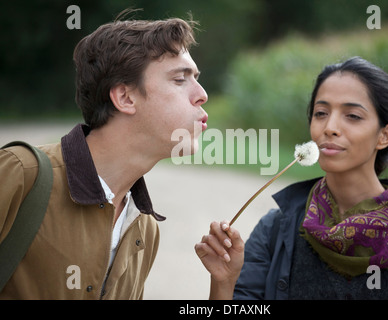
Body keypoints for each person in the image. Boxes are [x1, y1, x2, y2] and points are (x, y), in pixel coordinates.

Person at [0, 16, 243, 300]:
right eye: (180, 79)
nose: (202, 95)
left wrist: (223, 286)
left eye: (196, 80)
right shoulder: (20, 174)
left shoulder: (143, 229)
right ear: (125, 97)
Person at [233, 56, 388, 300]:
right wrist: (222, 281)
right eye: (321, 113)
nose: (330, 127)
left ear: (384, 135)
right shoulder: (274, 231)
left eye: (353, 116)